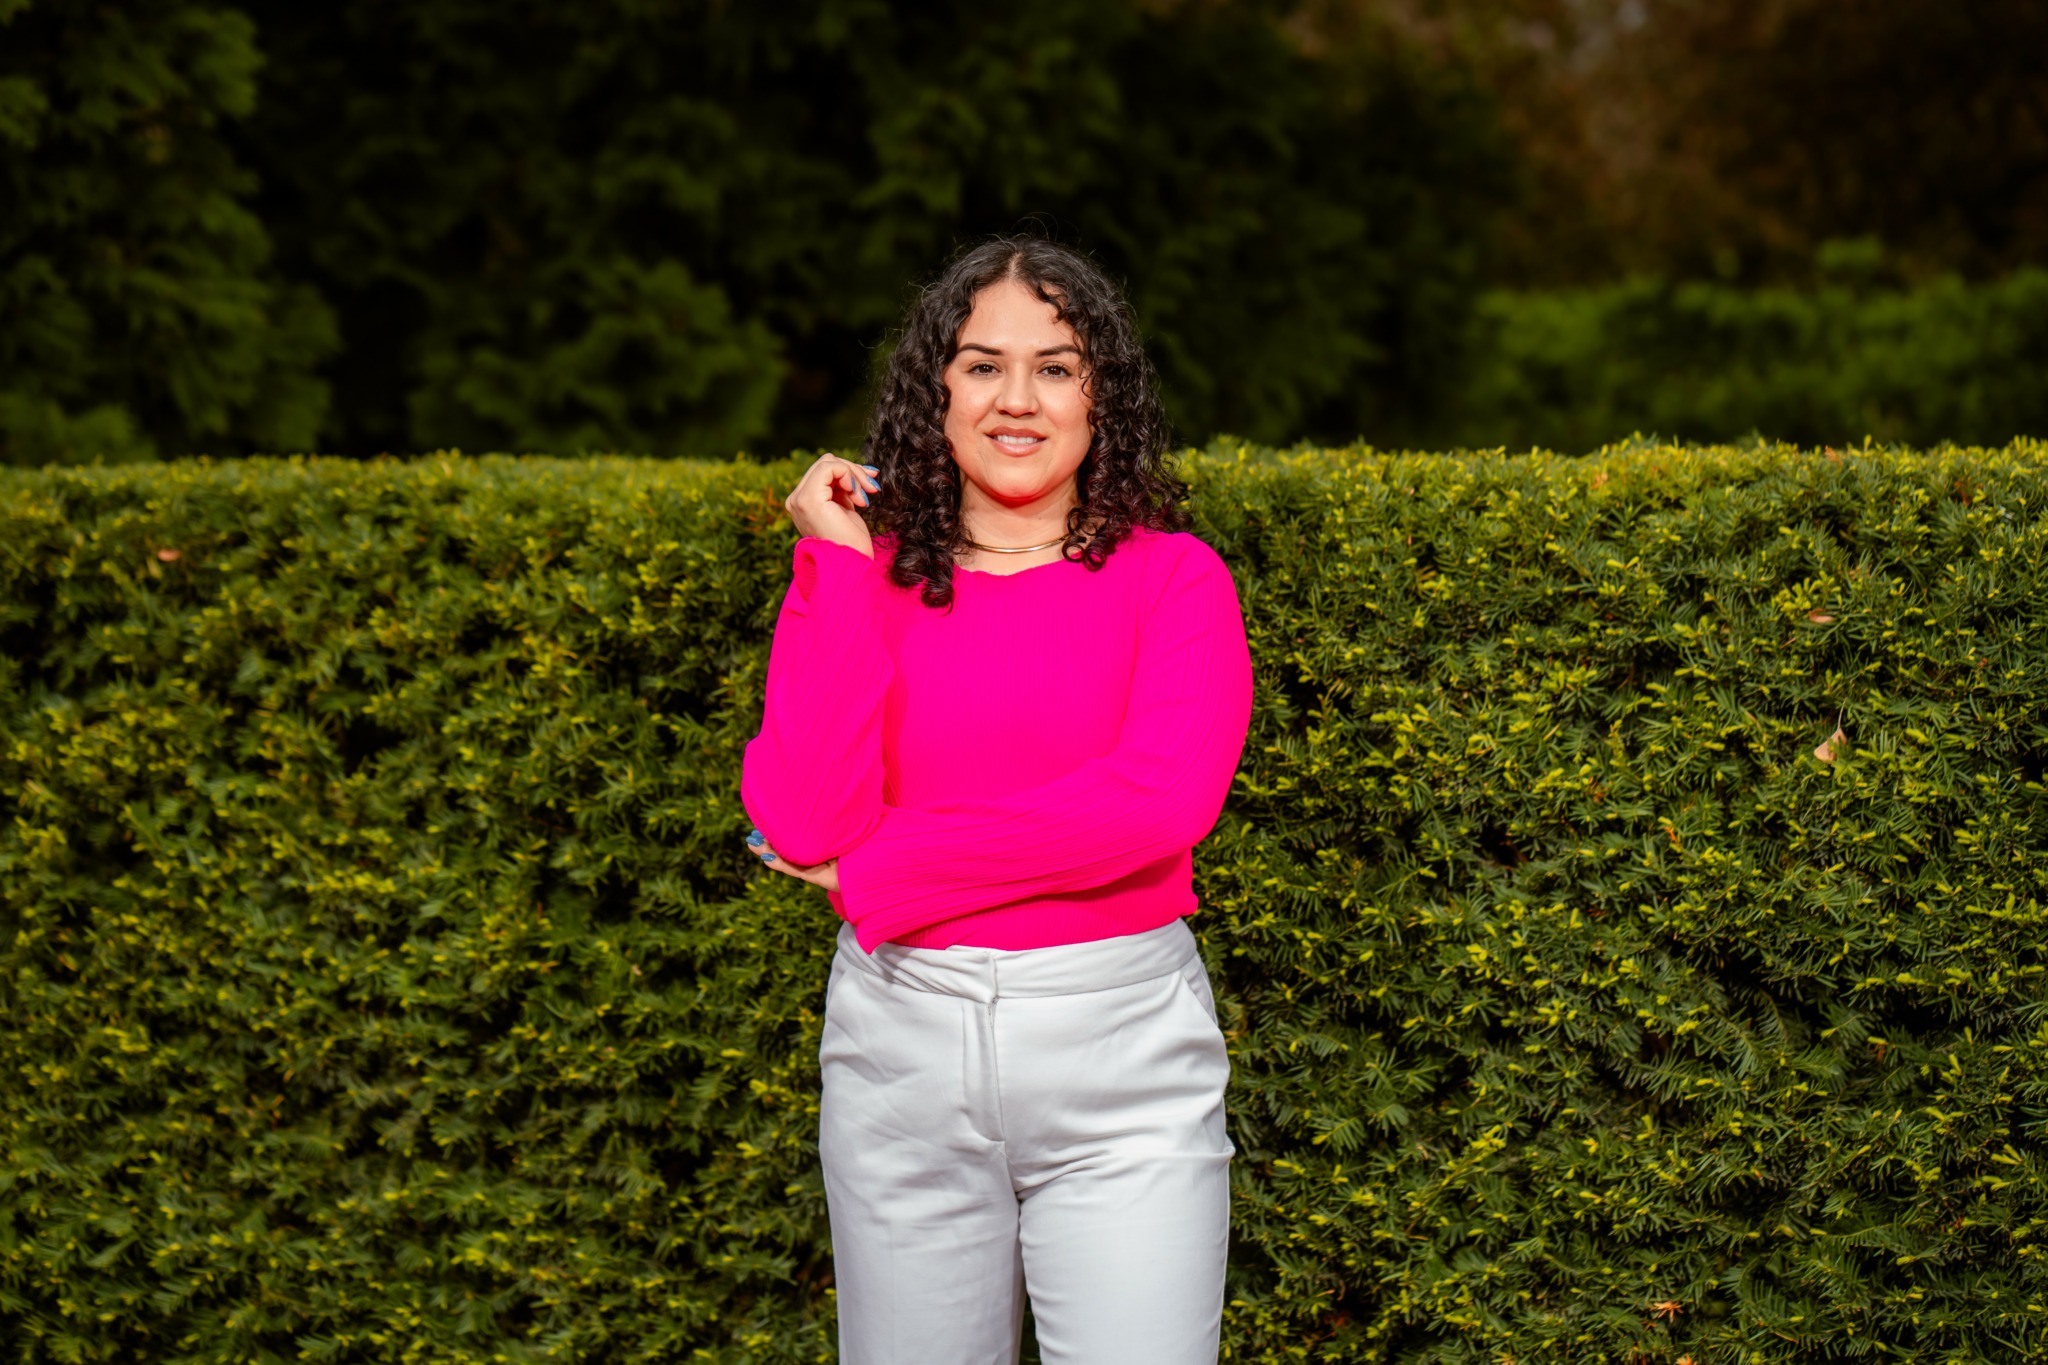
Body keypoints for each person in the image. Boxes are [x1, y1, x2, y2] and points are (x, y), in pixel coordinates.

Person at [739, 234, 1255, 1365]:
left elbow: (1155, 806)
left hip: (1122, 1055)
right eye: (982, 365)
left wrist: (885, 869)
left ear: (1100, 398)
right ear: (936, 390)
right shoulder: (862, 578)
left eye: (1055, 367)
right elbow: (804, 822)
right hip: (897, 1051)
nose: (1016, 399)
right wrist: (836, 563)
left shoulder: (1175, 579)